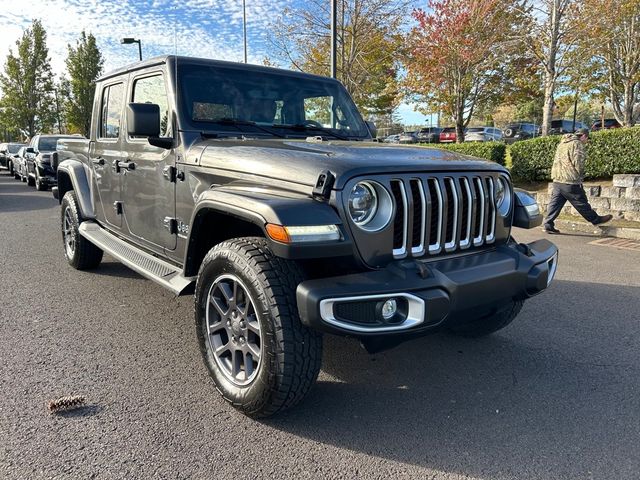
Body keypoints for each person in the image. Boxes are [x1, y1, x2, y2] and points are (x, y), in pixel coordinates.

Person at [542, 128, 612, 234]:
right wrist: (580, 176)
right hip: (570, 179)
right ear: (583, 136)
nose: (586, 141)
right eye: (587, 138)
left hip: (558, 179)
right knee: (581, 202)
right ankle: (596, 220)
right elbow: (578, 162)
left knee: (555, 203)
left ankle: (548, 224)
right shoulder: (577, 144)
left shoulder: (562, 143)